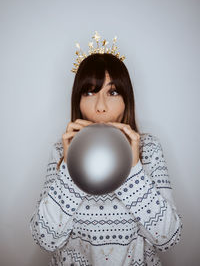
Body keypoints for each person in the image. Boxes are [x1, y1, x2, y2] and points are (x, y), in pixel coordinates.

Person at [30, 32, 182, 266]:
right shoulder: (61, 152)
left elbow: (168, 237)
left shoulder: (148, 149)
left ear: (126, 100)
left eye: (112, 92)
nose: (100, 107)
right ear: (77, 100)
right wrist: (70, 171)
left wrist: (134, 170)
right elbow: (45, 239)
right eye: (90, 92)